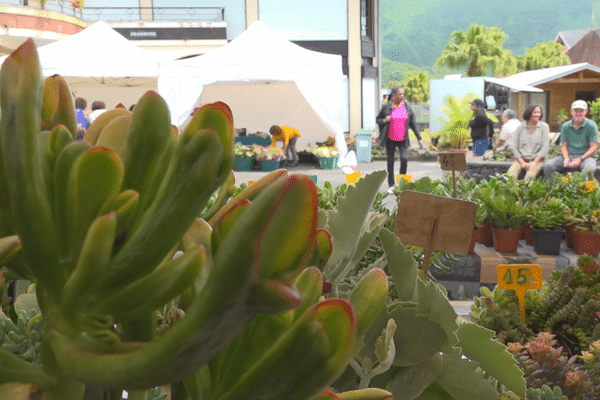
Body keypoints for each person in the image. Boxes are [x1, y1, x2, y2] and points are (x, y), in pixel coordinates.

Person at [376, 86, 424, 192]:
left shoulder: (407, 107)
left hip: (403, 139)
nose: (402, 96)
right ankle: (391, 185)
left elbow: (413, 124)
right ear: (394, 95)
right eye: (399, 94)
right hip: (390, 139)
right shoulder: (386, 107)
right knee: (391, 161)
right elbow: (378, 119)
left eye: (403, 94)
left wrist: (419, 138)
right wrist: (385, 120)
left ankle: (402, 183)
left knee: (404, 158)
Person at [543, 100, 599, 179]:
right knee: (548, 165)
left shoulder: (591, 125)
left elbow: (594, 147)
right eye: (576, 111)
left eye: (581, 111)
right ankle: (556, 187)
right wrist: (566, 158)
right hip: (569, 156)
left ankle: (580, 189)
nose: (578, 113)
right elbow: (564, 146)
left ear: (586, 112)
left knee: (589, 169)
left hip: (586, 157)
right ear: (571, 111)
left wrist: (580, 159)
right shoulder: (565, 126)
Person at [507, 104, 549, 182]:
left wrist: (534, 163)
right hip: (522, 159)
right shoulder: (520, 127)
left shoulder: (544, 127)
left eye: (539, 112)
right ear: (529, 113)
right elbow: (515, 147)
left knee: (529, 177)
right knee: (510, 175)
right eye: (535, 112)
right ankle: (514, 193)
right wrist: (522, 162)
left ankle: (525, 194)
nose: (538, 115)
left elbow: (545, 147)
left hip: (538, 160)